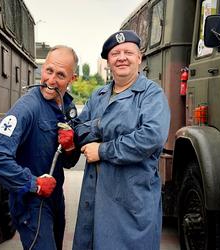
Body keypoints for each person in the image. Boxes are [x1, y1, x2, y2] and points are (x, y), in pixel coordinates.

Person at [72, 30, 171, 250]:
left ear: (139, 58)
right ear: (108, 61)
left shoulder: (151, 95)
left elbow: (150, 138)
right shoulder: (97, 95)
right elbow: (79, 129)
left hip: (131, 199)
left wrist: (102, 149)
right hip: (95, 196)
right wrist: (106, 130)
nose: (122, 57)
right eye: (115, 53)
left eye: (128, 52)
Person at [0, 45, 80, 250]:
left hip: (55, 199)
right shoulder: (27, 107)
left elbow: (69, 163)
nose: (51, 80)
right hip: (32, 202)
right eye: (49, 71)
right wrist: (33, 183)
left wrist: (70, 147)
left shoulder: (67, 108)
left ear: (72, 79)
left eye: (60, 75)